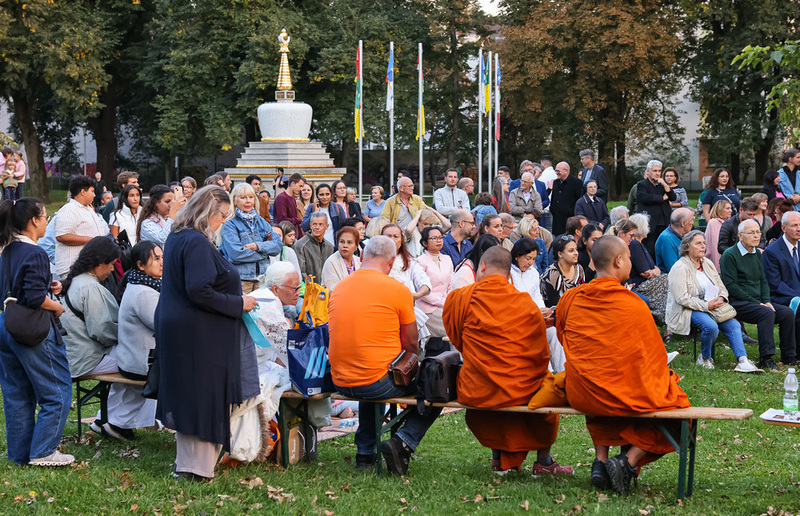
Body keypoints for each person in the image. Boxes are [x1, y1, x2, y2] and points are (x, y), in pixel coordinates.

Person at [557, 235, 691, 494]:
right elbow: (653, 357)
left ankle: (600, 461)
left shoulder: (571, 299)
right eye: (629, 258)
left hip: (582, 392)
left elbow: (565, 338)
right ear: (619, 261)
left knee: (601, 385)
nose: (630, 262)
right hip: (617, 394)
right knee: (680, 409)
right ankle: (626, 462)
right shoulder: (633, 304)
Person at [155, 185, 259, 481]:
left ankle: (189, 465)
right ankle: (195, 468)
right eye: (222, 216)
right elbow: (200, 290)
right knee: (204, 395)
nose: (223, 222)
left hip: (183, 326)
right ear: (207, 213)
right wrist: (240, 303)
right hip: (198, 331)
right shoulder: (196, 241)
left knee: (192, 394)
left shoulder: (178, 236)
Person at [444, 246, 573, 475]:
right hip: (520, 387)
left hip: (478, 387)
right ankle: (543, 461)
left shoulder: (460, 298)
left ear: (481, 267)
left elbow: (456, 337)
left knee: (494, 393)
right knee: (546, 387)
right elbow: (541, 355)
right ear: (510, 275)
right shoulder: (526, 304)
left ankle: (498, 458)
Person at [329, 236, 442, 475]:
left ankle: (365, 454)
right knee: (439, 385)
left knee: (372, 372)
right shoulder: (397, 289)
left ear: (362, 256)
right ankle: (404, 441)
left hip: (339, 379)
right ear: (391, 263)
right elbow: (411, 343)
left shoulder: (340, 287)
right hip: (374, 382)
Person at [0, 198, 73, 467]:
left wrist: (48, 286)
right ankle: (44, 451)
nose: (47, 222)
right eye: (45, 217)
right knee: (57, 391)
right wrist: (56, 306)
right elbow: (32, 296)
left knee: (17, 393)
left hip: (5, 323)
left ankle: (19, 455)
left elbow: (18, 287)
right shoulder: (36, 253)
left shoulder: (7, 250)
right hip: (31, 327)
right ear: (33, 221)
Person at [665, 230, 761, 372]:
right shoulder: (679, 268)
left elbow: (721, 286)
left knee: (734, 325)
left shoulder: (707, 263)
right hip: (689, 308)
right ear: (686, 246)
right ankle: (704, 358)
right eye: (698, 243)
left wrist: (721, 298)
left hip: (712, 304)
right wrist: (706, 305)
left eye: (704, 243)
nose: (703, 246)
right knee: (711, 327)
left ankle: (743, 361)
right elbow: (682, 298)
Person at [720, 219, 796, 370]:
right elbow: (731, 286)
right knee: (766, 313)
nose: (757, 236)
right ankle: (766, 358)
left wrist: (766, 300)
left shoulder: (757, 254)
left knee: (787, 313)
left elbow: (763, 280)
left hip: (757, 301)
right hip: (738, 301)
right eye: (752, 233)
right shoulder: (730, 255)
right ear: (740, 236)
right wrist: (757, 303)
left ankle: (789, 356)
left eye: (758, 232)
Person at [109, 241, 164, 440]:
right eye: (156, 258)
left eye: (162, 257)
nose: (161, 262)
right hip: (141, 362)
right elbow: (161, 324)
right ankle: (117, 425)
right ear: (141, 265)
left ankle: (107, 421)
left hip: (134, 356)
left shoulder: (139, 283)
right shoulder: (144, 292)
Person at [510, 237, 565, 371]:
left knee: (553, 332)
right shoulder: (509, 273)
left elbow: (537, 296)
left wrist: (543, 309)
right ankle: (548, 372)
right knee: (538, 335)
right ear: (517, 256)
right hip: (518, 320)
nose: (530, 262)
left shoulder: (533, 272)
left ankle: (563, 371)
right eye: (528, 258)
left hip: (536, 316)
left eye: (534, 259)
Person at [220, 183, 282, 294]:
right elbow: (236, 254)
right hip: (241, 279)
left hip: (262, 279)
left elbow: (278, 245)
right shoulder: (230, 224)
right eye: (243, 198)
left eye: (251, 197)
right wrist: (264, 253)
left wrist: (258, 246)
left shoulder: (262, 222)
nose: (248, 201)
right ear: (234, 200)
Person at [55, 175, 108, 278]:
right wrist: (91, 240)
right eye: (92, 191)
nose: (94, 195)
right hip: (73, 270)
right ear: (83, 192)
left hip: (89, 268)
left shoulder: (88, 209)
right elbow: (62, 236)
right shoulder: (69, 209)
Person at [763, 211, 800, 353]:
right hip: (780, 296)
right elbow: (775, 283)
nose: (799, 229)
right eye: (795, 225)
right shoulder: (772, 251)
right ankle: (794, 352)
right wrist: (797, 296)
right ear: (783, 228)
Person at [416, 226, 453, 356]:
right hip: (427, 308)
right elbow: (422, 290)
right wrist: (442, 303)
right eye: (434, 238)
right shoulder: (420, 261)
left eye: (440, 237)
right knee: (454, 327)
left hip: (445, 304)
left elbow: (450, 284)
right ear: (425, 243)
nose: (439, 240)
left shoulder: (447, 259)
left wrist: (447, 301)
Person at [636, 160, 676, 258]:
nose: (657, 173)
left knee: (664, 247)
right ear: (648, 171)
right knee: (650, 248)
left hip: (664, 222)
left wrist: (665, 185)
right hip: (650, 222)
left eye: (659, 171)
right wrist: (661, 198)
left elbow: (673, 197)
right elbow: (645, 198)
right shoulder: (642, 184)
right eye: (655, 171)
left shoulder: (663, 184)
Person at [540, 234, 584, 308]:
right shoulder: (553, 273)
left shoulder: (579, 269)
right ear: (560, 254)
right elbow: (554, 305)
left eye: (576, 249)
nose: (576, 253)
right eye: (571, 251)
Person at [295, 212, 334, 281]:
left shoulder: (330, 247)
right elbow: (300, 273)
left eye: (321, 224)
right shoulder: (300, 245)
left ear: (327, 226)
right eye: (314, 224)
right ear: (310, 226)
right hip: (308, 289)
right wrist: (315, 289)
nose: (317, 227)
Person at [655, 208, 695, 272]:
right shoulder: (667, 239)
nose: (693, 223)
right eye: (692, 220)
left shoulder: (680, 236)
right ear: (683, 223)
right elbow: (673, 269)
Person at [549, 161, 583, 237]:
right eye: (556, 170)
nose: (556, 173)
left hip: (569, 219)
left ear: (566, 171)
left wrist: (571, 212)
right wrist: (553, 209)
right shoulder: (556, 182)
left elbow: (579, 200)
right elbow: (554, 198)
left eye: (558, 171)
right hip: (557, 220)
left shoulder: (576, 182)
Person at [702, 200, 732, 272]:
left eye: (731, 208)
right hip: (716, 264)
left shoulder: (729, 223)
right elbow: (715, 247)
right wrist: (718, 269)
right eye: (727, 208)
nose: (730, 211)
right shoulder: (714, 223)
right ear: (720, 210)